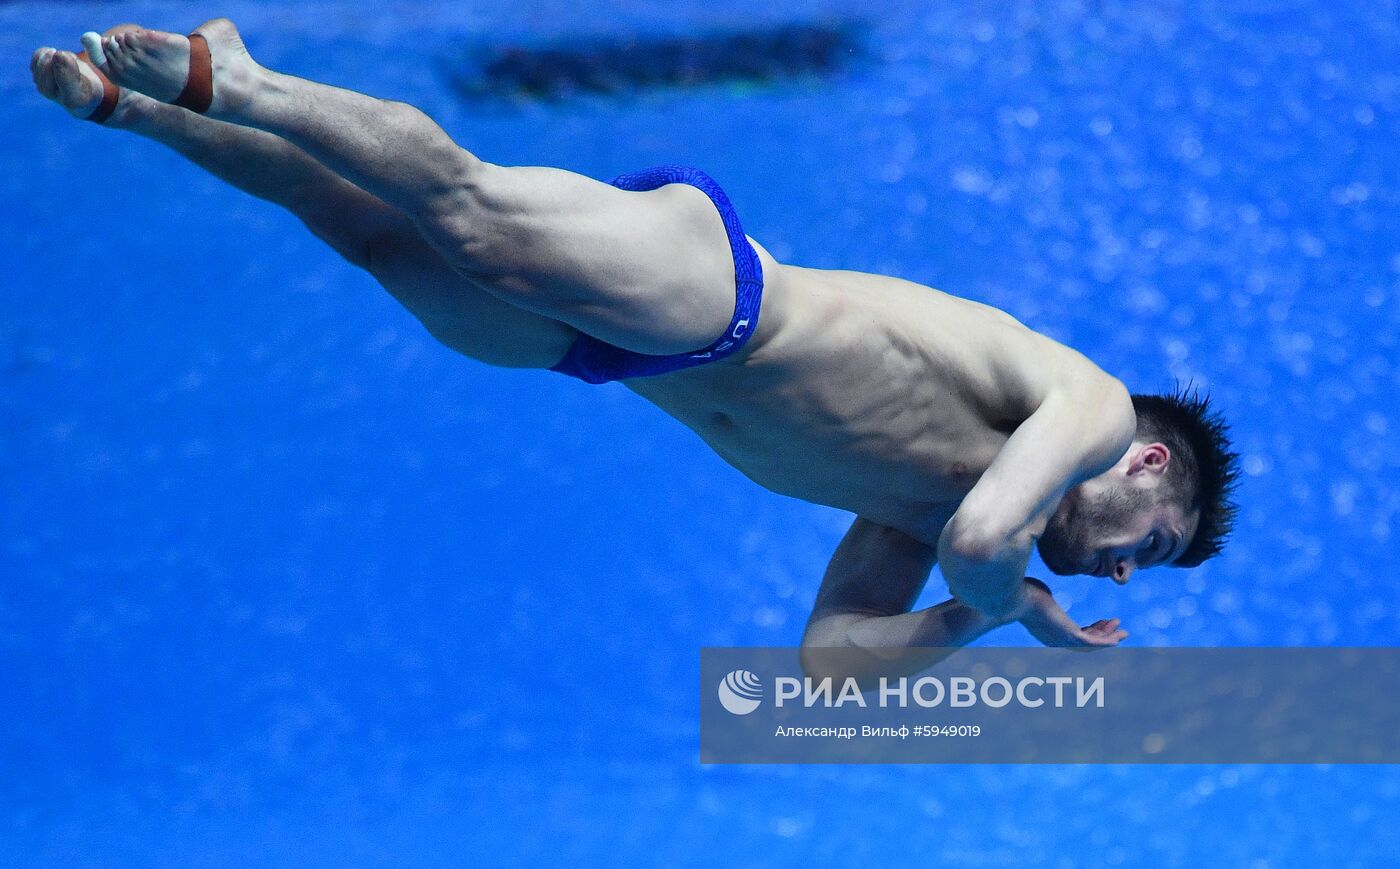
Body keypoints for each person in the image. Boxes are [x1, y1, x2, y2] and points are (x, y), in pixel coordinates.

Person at [30, 19, 1240, 662]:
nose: (1125, 571)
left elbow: (825, 673)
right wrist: (1022, 609)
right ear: (1145, 462)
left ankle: (137, 110)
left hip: (620, 358)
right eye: (1158, 541)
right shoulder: (1081, 405)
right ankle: (236, 77)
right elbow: (987, 538)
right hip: (713, 291)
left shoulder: (917, 511)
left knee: (370, 237)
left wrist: (968, 620)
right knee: (468, 210)